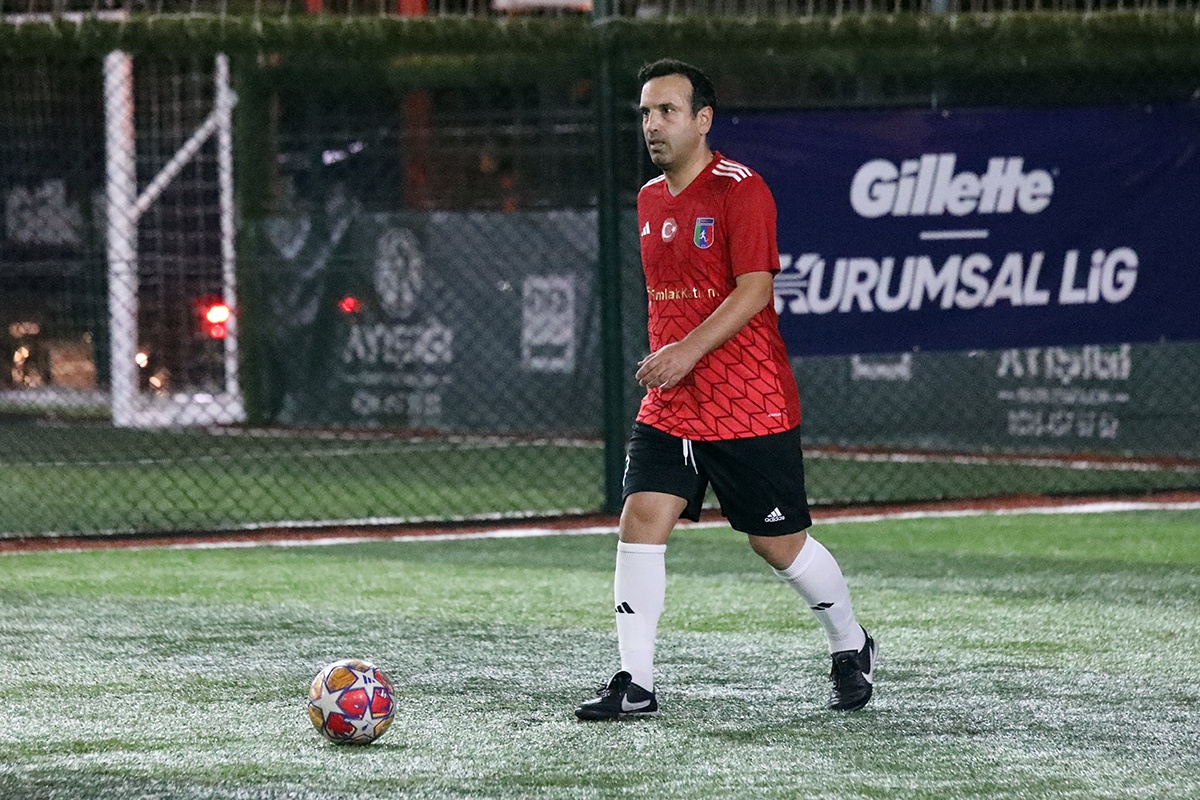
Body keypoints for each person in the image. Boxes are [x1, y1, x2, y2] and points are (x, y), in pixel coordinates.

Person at [575, 59, 877, 721]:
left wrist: (686, 351)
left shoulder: (742, 190)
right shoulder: (648, 199)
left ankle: (850, 644)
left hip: (749, 401)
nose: (652, 124)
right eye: (646, 112)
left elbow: (755, 290)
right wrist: (673, 361)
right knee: (640, 520)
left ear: (703, 119)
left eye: (667, 111)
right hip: (672, 404)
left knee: (778, 544)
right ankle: (635, 681)